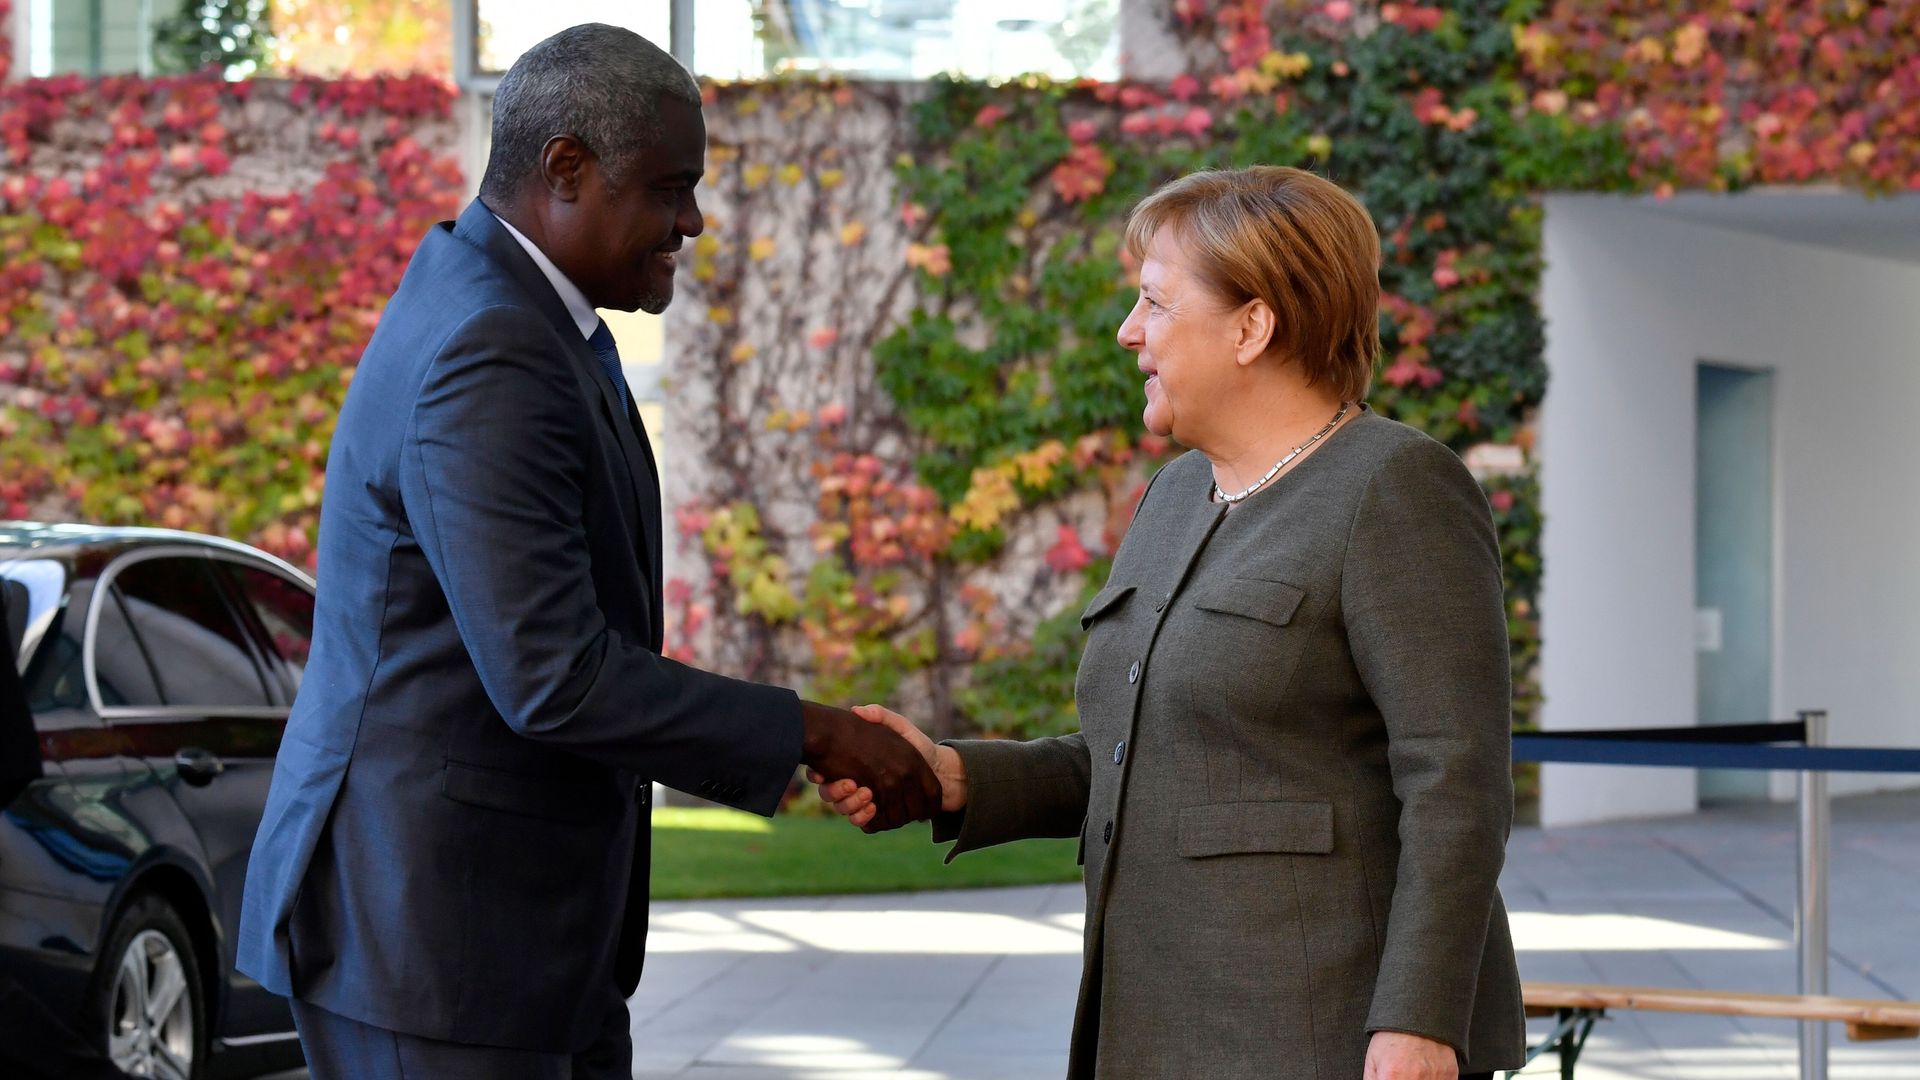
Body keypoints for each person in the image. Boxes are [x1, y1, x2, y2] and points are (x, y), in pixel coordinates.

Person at [236, 24, 937, 1079]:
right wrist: (812, 733)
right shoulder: (491, 344)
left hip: (504, 939)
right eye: (669, 187)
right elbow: (553, 677)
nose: (692, 221)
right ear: (566, 169)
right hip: (435, 943)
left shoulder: (523, 314)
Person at [819, 166, 1526, 1080]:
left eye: (1154, 301)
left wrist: (1419, 1023)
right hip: (1152, 1027)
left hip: (1322, 1036)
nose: (1129, 331)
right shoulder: (1177, 495)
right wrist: (955, 776)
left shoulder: (1394, 488)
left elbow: (1456, 783)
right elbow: (1144, 755)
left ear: (1251, 326)